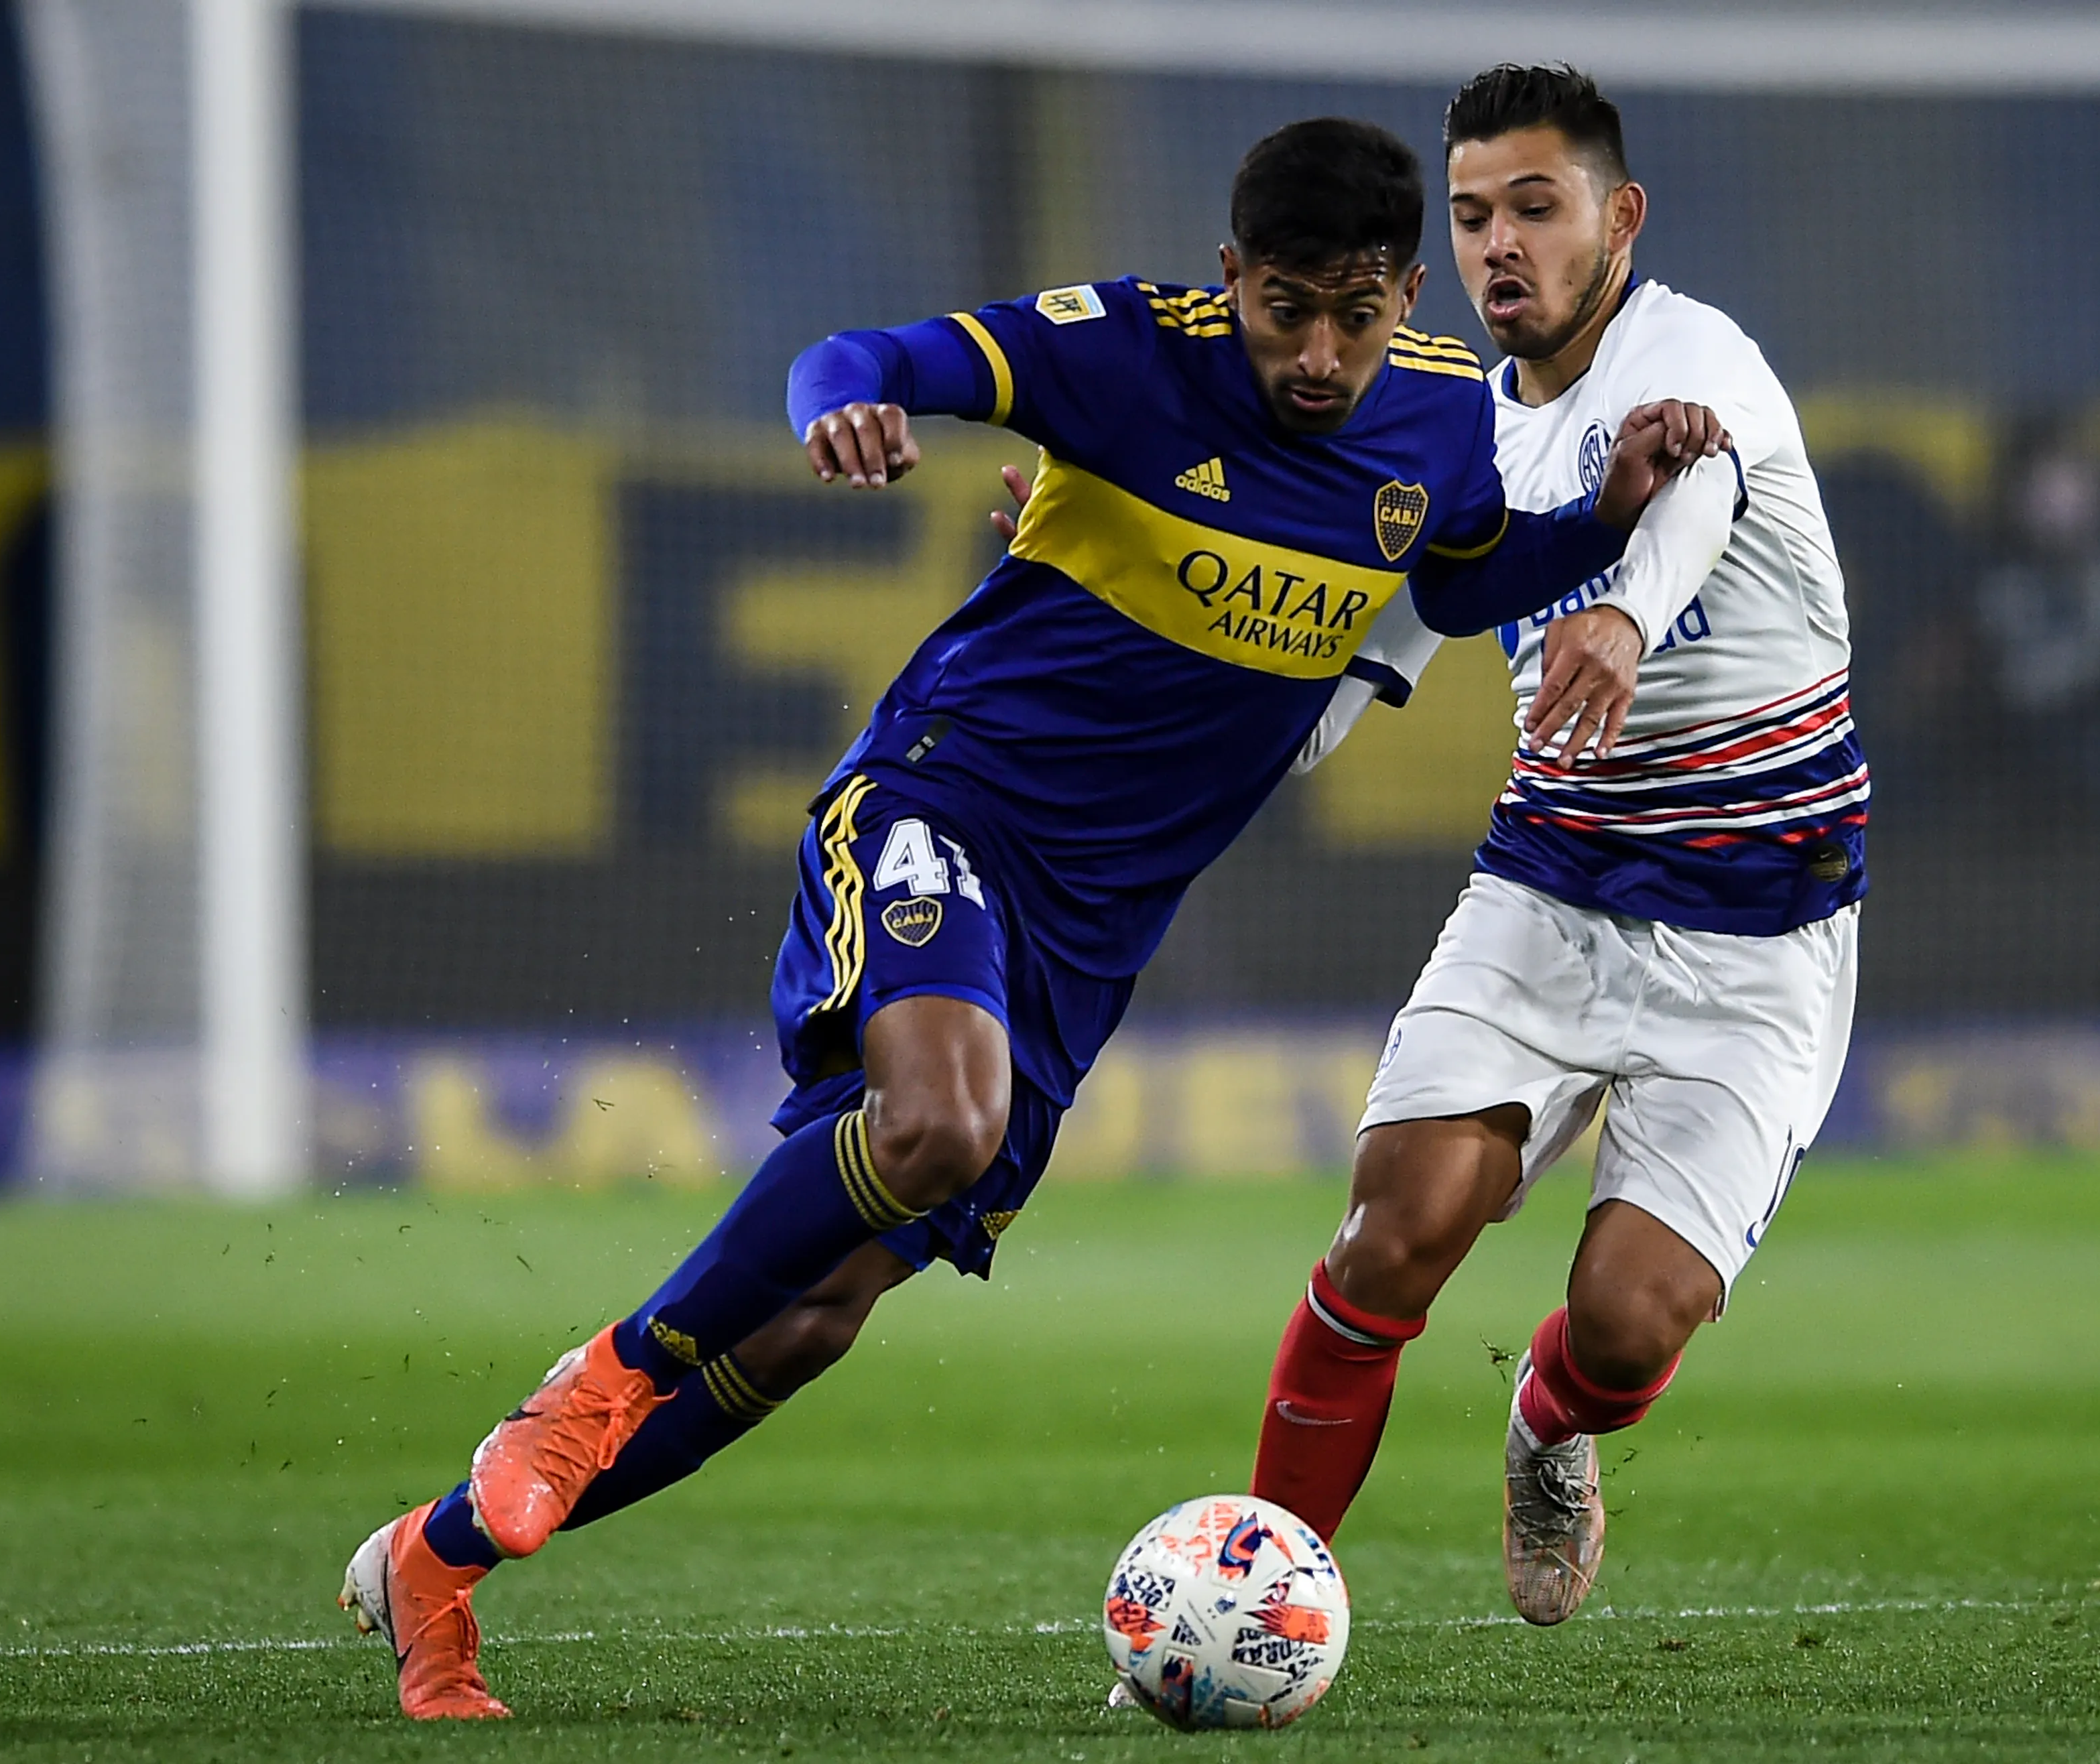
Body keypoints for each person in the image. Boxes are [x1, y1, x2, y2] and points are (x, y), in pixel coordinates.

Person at [335, 115, 1726, 1720]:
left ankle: (435, 1560)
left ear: (1404, 291)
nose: (1321, 353)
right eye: (1286, 308)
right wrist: (840, 402)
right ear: (1233, 280)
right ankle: (601, 1383)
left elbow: (1467, 573)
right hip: (942, 801)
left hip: (1086, 937)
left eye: (1355, 311)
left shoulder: (1435, 417)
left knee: (812, 1317)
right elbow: (858, 349)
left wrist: (1611, 513)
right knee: (938, 1118)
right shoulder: (1130, 350)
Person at [1247, 65, 1869, 1627]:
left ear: (1619, 215)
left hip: (1755, 930)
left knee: (1629, 1320)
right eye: (1472, 217)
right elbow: (1346, 667)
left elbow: (1700, 482)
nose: (1500, 244)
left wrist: (1621, 607)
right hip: (1553, 887)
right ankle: (1247, 1589)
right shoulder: (1448, 430)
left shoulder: (1690, 350)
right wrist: (1168, 688)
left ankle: (1551, 1416)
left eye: (1537, 205)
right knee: (1394, 1229)